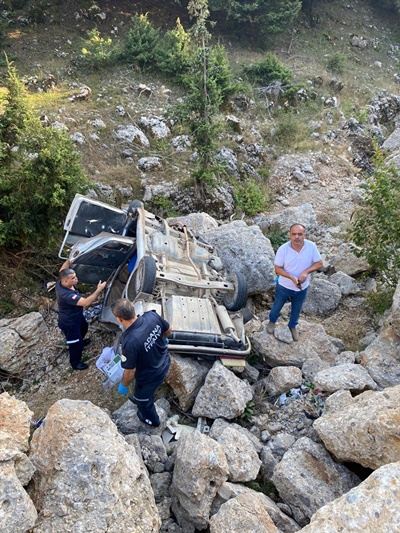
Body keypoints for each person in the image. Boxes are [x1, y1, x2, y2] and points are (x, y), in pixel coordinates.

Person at [112, 298, 172, 427]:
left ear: (119, 319)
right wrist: (162, 340)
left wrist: (124, 385)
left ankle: (152, 420)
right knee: (142, 391)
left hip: (151, 376)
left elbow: (130, 371)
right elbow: (168, 329)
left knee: (142, 400)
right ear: (134, 308)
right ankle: (142, 396)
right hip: (164, 361)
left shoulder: (129, 342)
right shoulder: (152, 316)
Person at [267, 223, 323, 341]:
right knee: (277, 306)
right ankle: (272, 321)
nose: (297, 237)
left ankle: (292, 326)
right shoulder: (283, 249)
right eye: (294, 234)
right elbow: (277, 269)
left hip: (302, 287)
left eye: (300, 234)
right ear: (289, 235)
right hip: (284, 286)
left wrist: (306, 272)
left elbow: (319, 263)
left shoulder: (311, 246)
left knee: (296, 309)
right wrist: (291, 277)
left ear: (304, 235)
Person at [56, 258, 106, 370]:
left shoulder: (61, 280)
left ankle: (80, 341)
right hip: (69, 322)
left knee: (84, 327)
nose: (76, 279)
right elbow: (86, 302)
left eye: (75, 276)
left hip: (77, 317)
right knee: (75, 344)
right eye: (73, 278)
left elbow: (63, 269)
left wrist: (71, 259)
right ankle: (75, 363)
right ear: (65, 281)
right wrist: (99, 290)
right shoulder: (67, 295)